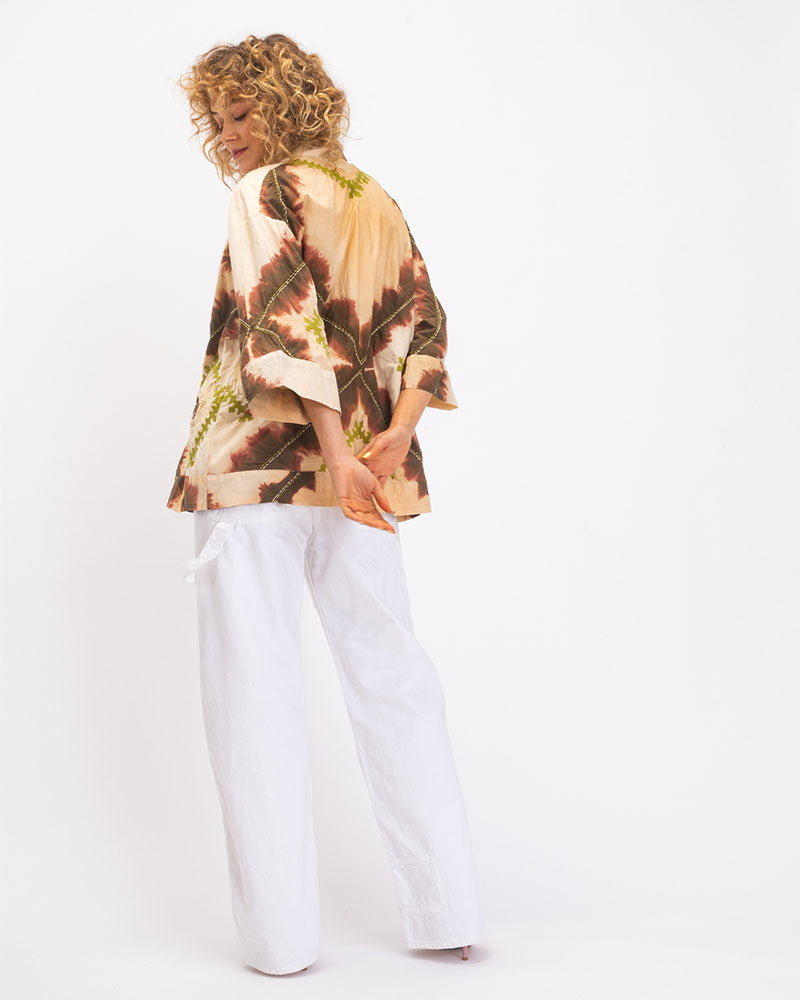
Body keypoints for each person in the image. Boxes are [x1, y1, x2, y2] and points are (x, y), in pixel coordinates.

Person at [166, 32, 484, 976]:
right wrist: (391, 441)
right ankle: (448, 912)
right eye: (217, 118)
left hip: (255, 470)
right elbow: (424, 327)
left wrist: (340, 454)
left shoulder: (263, 192)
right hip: (363, 483)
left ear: (285, 105)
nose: (228, 134)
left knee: (253, 689)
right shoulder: (372, 196)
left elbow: (286, 329)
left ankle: (281, 944)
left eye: (242, 113)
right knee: (392, 673)